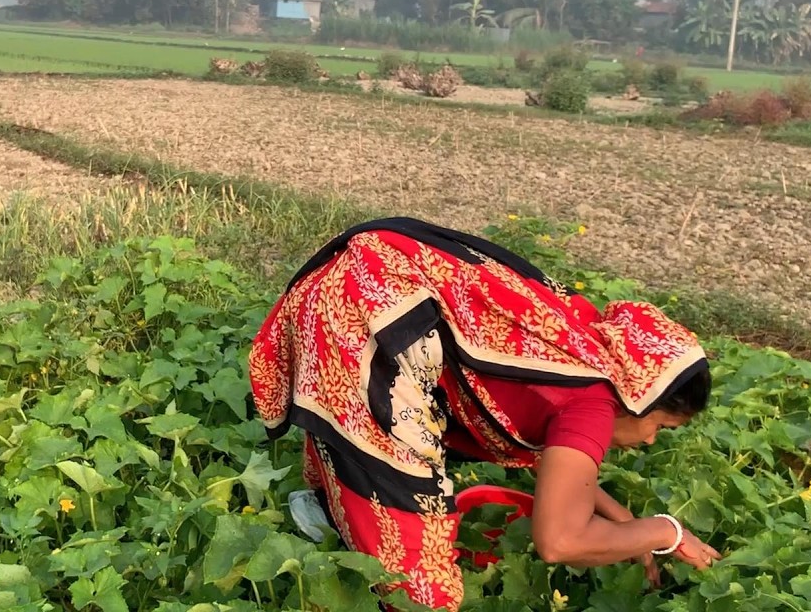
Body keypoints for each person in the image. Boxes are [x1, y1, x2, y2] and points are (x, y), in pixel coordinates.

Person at [248, 217, 723, 611]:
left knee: (350, 427)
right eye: (660, 426)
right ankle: (351, 550)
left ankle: (328, 514)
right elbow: (559, 541)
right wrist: (665, 530)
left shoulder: (588, 351)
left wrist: (627, 527)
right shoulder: (595, 406)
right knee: (427, 588)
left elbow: (561, 471)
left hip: (360, 281)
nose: (650, 440)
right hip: (371, 315)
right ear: (640, 397)